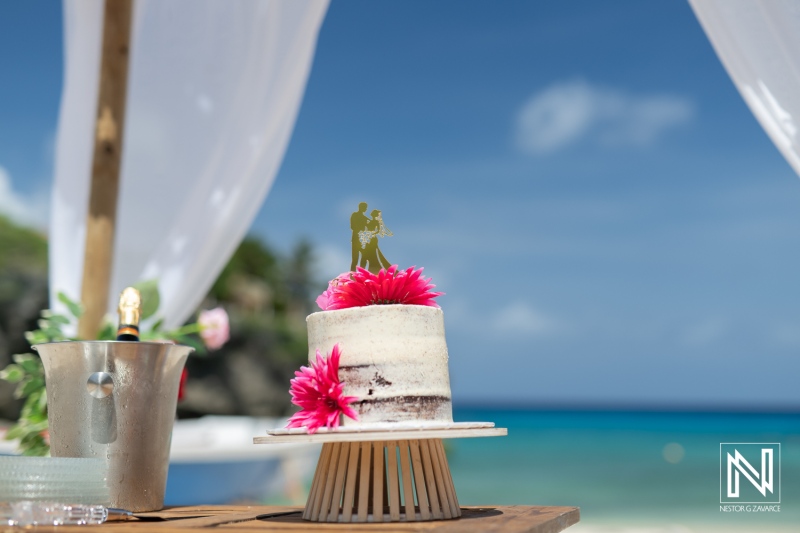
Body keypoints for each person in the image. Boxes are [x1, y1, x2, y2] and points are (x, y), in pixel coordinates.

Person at [359, 209, 392, 273]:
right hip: (368, 239)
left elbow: (378, 230)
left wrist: (371, 233)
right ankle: (366, 268)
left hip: (373, 239)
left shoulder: (376, 222)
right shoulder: (369, 221)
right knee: (368, 253)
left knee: (373, 253)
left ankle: (374, 268)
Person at [350, 202, 369, 271]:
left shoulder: (365, 218)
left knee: (364, 257)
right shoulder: (355, 215)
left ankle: (361, 273)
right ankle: (352, 274)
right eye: (364, 207)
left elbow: (370, 225)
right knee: (355, 259)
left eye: (366, 208)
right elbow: (352, 226)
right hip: (356, 238)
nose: (366, 209)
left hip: (363, 240)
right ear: (360, 207)